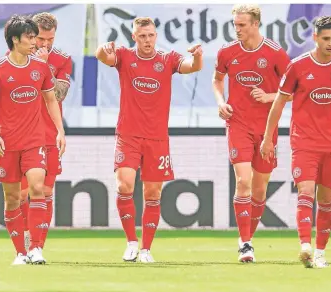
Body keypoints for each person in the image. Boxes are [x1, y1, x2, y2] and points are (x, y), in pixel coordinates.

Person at [95, 16, 203, 263]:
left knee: (153, 193)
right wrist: (103, 48)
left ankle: (146, 249)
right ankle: (131, 242)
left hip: (157, 138)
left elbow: (193, 67)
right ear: (134, 37)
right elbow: (103, 57)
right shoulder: (124, 56)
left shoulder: (167, 59)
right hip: (128, 135)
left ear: (156, 36)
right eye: (142, 36)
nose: (147, 40)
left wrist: (197, 55)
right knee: (124, 185)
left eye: (150, 35)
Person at [260, 16, 331, 268]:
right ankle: (305, 246)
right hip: (304, 141)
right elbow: (279, 102)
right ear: (315, 37)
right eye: (326, 38)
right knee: (306, 192)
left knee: (327, 200)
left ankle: (320, 252)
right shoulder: (298, 66)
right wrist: (267, 137)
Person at [212, 4, 290, 262]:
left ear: (256, 24)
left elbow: (295, 88)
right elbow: (217, 80)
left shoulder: (275, 53)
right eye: (235, 25)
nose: (237, 30)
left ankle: (248, 238)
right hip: (238, 124)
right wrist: (220, 102)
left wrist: (269, 96)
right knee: (243, 182)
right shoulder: (227, 52)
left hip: (267, 128)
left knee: (259, 189)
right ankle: (245, 243)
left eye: (242, 25)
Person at [0, 15, 66, 265]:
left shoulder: (41, 68)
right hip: (7, 144)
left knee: (38, 188)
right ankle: (19, 253)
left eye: (36, 36)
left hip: (35, 141)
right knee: (13, 198)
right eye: (30, 37)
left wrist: (60, 130)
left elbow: (50, 99)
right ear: (15, 39)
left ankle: (36, 248)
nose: (35, 42)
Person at [19, 12, 72, 253]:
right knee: (20, 194)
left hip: (48, 135)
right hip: (20, 135)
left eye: (50, 39)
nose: (45, 44)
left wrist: (44, 66)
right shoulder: (16, 58)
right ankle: (25, 241)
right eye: (41, 38)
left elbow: (59, 94)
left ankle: (38, 246)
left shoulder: (62, 59)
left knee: (46, 191)